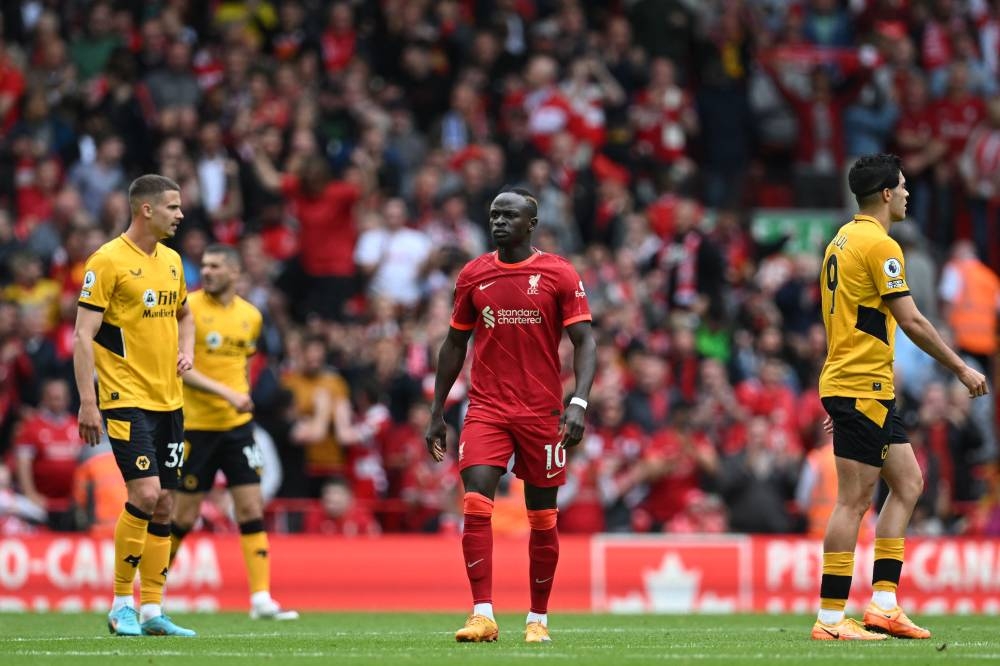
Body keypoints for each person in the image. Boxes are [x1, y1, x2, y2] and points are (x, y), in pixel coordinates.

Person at [812, 154, 988, 641]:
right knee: (854, 500)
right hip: (861, 385)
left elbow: (843, 316)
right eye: (904, 187)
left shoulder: (840, 240)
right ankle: (829, 619)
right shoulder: (880, 244)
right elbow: (910, 320)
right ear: (887, 193)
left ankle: (883, 605)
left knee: (909, 482)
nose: (909, 194)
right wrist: (960, 367)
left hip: (862, 385)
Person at [425, 188, 597, 643]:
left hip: (542, 412)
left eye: (509, 215)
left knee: (542, 517)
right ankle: (482, 613)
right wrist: (436, 409)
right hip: (486, 408)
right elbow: (454, 344)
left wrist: (578, 402)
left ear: (532, 223)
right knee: (476, 499)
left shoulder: (558, 273)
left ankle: (537, 618)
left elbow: (585, 342)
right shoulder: (473, 275)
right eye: (494, 215)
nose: (499, 222)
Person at [73, 174, 197, 637]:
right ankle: (121, 603)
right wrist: (89, 401)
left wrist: (189, 351)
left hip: (170, 399)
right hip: (125, 397)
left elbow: (185, 312)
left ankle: (153, 611)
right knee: (144, 494)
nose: (180, 214)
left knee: (165, 503)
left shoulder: (172, 261)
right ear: (146, 209)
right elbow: (82, 336)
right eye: (172, 206)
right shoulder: (107, 261)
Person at [168, 243, 298, 620]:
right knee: (184, 516)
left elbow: (242, 366)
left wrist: (236, 397)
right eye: (204, 265)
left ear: (235, 273)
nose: (205, 271)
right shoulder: (187, 309)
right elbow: (183, 369)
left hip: (237, 428)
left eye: (214, 266)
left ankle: (260, 599)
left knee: (250, 507)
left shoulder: (251, 316)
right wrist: (229, 394)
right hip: (196, 428)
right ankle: (152, 593)